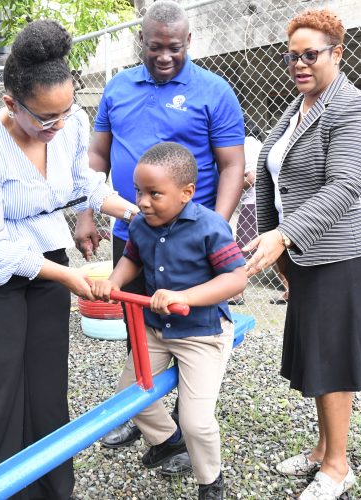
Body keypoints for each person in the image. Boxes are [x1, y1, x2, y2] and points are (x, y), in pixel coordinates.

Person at [0, 20, 141, 498]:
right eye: (44, 118)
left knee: (48, 383)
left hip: (47, 258)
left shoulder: (70, 125)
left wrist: (140, 211)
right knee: (0, 386)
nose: (58, 125)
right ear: (11, 103)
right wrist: (70, 277)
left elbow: (83, 187)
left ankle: (53, 488)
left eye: (66, 111)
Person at [75, 0, 246, 468]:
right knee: (140, 322)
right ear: (142, 43)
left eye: (174, 47)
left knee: (191, 321)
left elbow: (232, 164)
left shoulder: (215, 91)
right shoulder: (118, 87)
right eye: (155, 47)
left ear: (188, 42)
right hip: (133, 229)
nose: (164, 56)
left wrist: (216, 224)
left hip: (193, 236)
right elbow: (97, 158)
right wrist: (87, 213)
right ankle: (150, 419)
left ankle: (189, 422)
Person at [243, 9, 361, 499]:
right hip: (307, 254)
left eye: (311, 54)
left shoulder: (355, 108)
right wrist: (282, 252)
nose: (299, 64)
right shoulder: (297, 109)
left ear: (338, 52)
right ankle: (321, 449)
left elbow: (345, 185)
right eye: (293, 55)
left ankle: (337, 466)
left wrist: (283, 236)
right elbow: (274, 180)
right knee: (318, 353)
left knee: (332, 358)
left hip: (348, 253)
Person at [92, 142, 247, 500]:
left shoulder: (209, 227)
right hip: (157, 329)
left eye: (154, 194)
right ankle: (168, 440)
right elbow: (132, 258)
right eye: (139, 192)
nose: (143, 202)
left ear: (186, 193)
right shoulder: (142, 225)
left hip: (201, 333)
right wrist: (112, 283)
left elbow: (236, 278)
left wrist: (185, 297)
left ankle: (210, 480)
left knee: (197, 420)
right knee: (131, 396)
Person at [231, 119, 262, 305]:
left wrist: (231, 188)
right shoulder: (260, 144)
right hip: (265, 201)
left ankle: (237, 293)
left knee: (243, 248)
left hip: (252, 202)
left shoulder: (247, 144)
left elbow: (251, 176)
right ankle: (288, 289)